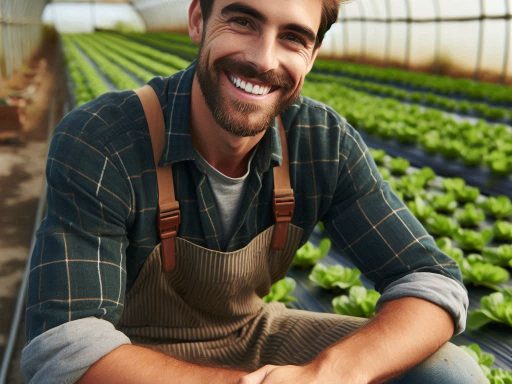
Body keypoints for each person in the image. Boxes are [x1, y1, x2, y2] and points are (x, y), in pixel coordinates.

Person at [21, 0, 486, 383]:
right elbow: (67, 344)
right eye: (243, 21)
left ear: (313, 55)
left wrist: (333, 373)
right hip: (128, 356)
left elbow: (430, 280)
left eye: (293, 37)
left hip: (250, 335)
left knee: (449, 373)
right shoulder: (104, 136)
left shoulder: (322, 143)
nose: (264, 59)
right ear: (197, 20)